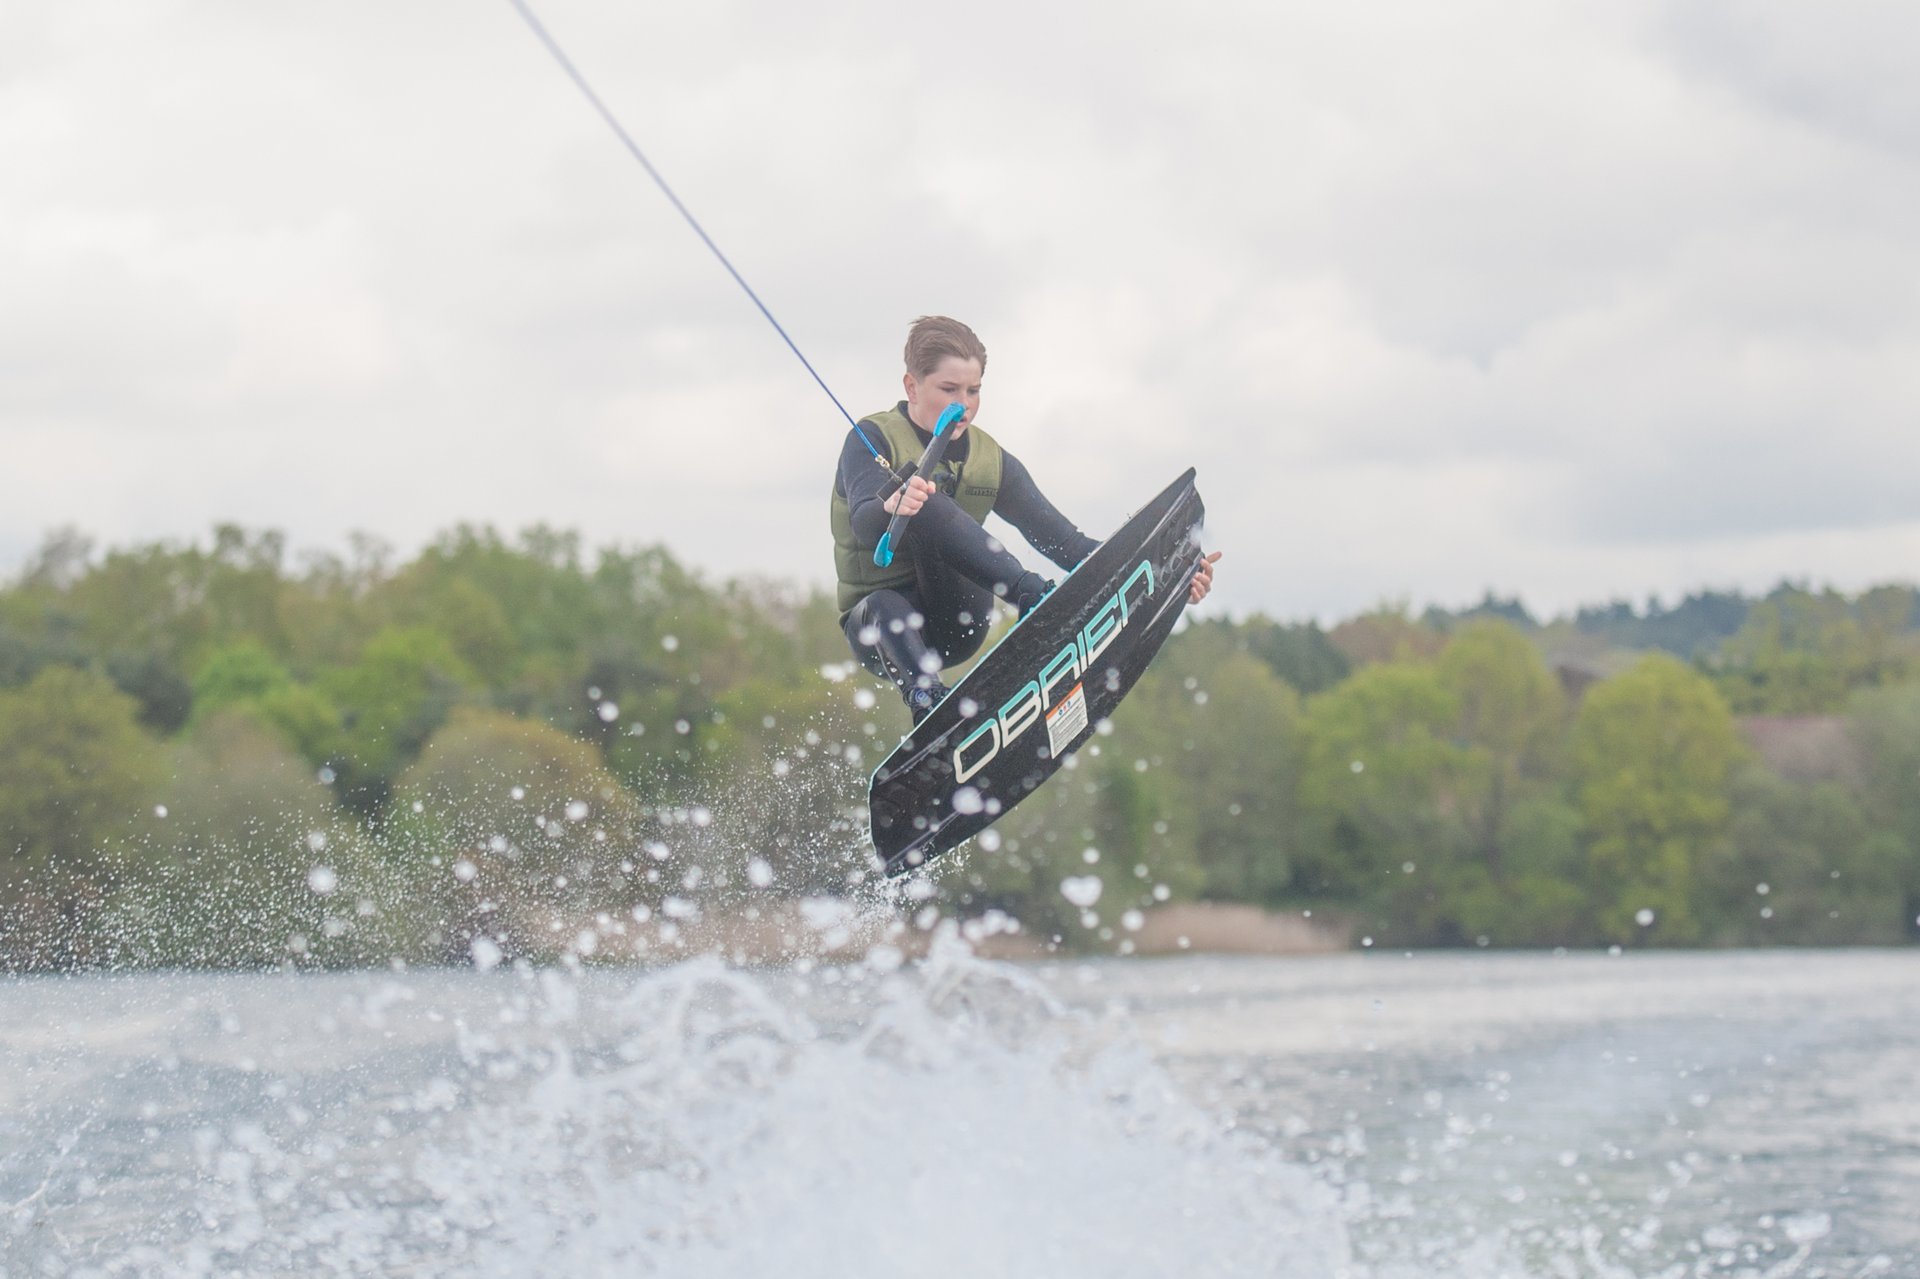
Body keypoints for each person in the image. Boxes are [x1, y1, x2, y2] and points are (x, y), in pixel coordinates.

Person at [830, 316, 1220, 721]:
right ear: (912, 385)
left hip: (956, 622)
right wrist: (893, 503)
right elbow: (864, 520)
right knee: (919, 502)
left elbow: (1069, 546)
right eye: (949, 390)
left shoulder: (992, 461)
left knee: (928, 494)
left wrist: (1170, 573)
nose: (963, 405)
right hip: (883, 636)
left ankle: (1037, 601)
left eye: (974, 390)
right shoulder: (872, 438)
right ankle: (929, 704)